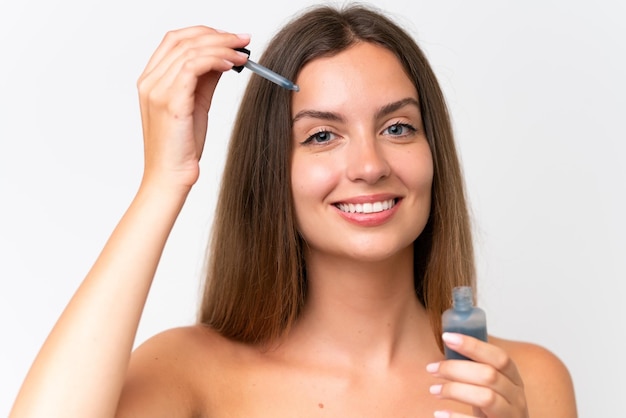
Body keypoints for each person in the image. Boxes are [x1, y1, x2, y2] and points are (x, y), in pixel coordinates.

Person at [9, 4, 577, 418]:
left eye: (397, 127)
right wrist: (164, 180)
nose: (370, 164)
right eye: (323, 135)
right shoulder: (187, 374)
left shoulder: (524, 383)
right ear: (270, 169)